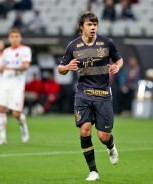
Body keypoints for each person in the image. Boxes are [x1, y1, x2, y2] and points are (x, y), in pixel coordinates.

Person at [58, 12, 123, 181]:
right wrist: (66, 68)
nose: (93, 27)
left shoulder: (107, 42)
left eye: (95, 24)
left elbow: (119, 60)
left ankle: (110, 145)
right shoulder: (73, 46)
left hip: (103, 95)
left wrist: (117, 66)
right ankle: (93, 171)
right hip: (83, 94)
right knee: (85, 131)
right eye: (89, 24)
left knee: (103, 136)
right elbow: (60, 69)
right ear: (81, 27)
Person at [0, 28, 31, 144]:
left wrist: (9, 68)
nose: (14, 39)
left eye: (17, 36)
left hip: (17, 85)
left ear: (20, 38)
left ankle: (23, 125)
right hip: (5, 83)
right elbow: (3, 67)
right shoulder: (6, 52)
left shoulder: (25, 50)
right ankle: (2, 137)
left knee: (16, 114)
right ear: (9, 38)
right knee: (1, 109)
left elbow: (25, 66)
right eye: (12, 37)